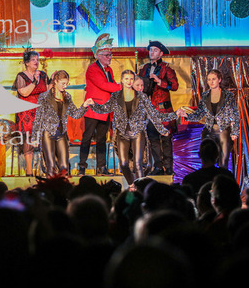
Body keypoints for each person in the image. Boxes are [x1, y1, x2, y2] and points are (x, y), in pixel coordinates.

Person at [89, 70, 177, 185]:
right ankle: (132, 185)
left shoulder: (141, 96)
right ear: (122, 80)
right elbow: (104, 109)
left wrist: (171, 119)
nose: (129, 81)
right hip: (122, 133)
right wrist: (93, 104)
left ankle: (140, 188)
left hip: (137, 133)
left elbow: (153, 114)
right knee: (123, 164)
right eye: (126, 79)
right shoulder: (116, 96)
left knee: (138, 164)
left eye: (131, 79)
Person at [31, 70, 93, 176]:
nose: (65, 86)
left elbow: (75, 114)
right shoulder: (44, 97)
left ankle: (63, 184)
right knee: (50, 166)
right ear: (56, 81)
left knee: (64, 166)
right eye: (63, 83)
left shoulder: (67, 96)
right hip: (48, 133)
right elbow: (38, 117)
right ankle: (51, 185)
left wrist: (84, 106)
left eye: (66, 83)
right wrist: (34, 137)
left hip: (61, 133)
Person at [177, 69, 240, 170]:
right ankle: (208, 177)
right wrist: (187, 115)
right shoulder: (205, 95)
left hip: (223, 129)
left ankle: (221, 178)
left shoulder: (228, 95)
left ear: (219, 80)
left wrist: (235, 132)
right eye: (209, 79)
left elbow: (235, 114)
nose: (211, 82)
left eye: (213, 79)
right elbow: (199, 114)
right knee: (207, 160)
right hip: (209, 130)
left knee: (223, 161)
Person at [79, 33, 122, 176]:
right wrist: (122, 86)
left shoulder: (109, 70)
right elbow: (104, 85)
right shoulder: (92, 68)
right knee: (87, 138)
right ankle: (82, 167)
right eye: (107, 55)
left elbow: (111, 85)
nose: (109, 57)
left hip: (105, 110)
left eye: (110, 55)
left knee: (102, 139)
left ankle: (101, 167)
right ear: (98, 55)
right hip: (93, 109)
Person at [138, 41, 179, 175]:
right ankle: (158, 166)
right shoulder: (144, 68)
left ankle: (168, 167)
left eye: (155, 50)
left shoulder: (166, 68)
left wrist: (160, 81)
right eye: (150, 50)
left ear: (161, 53)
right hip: (149, 109)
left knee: (166, 138)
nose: (152, 52)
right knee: (153, 139)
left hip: (163, 109)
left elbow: (175, 86)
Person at [12, 49, 50, 176]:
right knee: (28, 139)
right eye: (33, 60)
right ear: (27, 63)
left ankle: (46, 168)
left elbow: (47, 91)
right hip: (27, 113)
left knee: (45, 138)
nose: (36, 62)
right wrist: (34, 82)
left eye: (37, 60)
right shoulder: (21, 76)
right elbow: (24, 93)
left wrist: (53, 81)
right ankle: (29, 172)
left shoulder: (43, 75)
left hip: (41, 111)